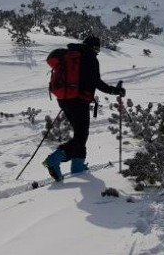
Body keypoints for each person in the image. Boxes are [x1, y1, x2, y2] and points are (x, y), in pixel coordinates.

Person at [43, 35, 125, 181]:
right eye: (98, 48)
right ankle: (55, 159)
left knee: (80, 134)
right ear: (95, 47)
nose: (98, 51)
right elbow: (97, 83)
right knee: (81, 135)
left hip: (63, 99)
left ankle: (77, 167)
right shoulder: (90, 58)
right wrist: (115, 91)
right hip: (78, 101)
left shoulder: (71, 55)